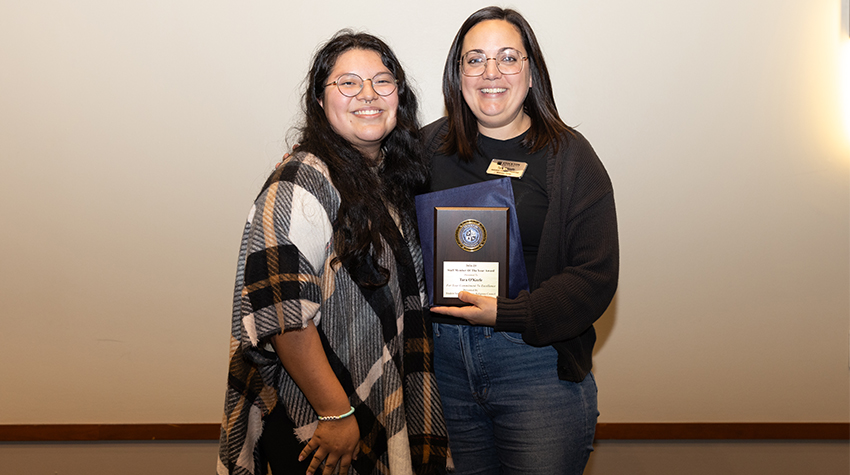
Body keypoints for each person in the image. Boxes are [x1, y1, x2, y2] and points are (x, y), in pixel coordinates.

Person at [218, 31, 449, 475]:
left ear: (399, 96)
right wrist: (335, 413)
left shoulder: (387, 181)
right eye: (348, 83)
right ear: (320, 102)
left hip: (376, 409)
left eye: (383, 81)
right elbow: (281, 312)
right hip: (318, 425)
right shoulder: (300, 181)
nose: (368, 94)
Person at [423, 7, 619, 474]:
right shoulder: (424, 147)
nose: (491, 73)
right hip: (442, 366)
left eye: (508, 57)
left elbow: (595, 277)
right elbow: (369, 204)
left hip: (535, 366)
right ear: (458, 74)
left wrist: (509, 313)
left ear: (531, 72)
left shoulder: (570, 157)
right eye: (475, 60)